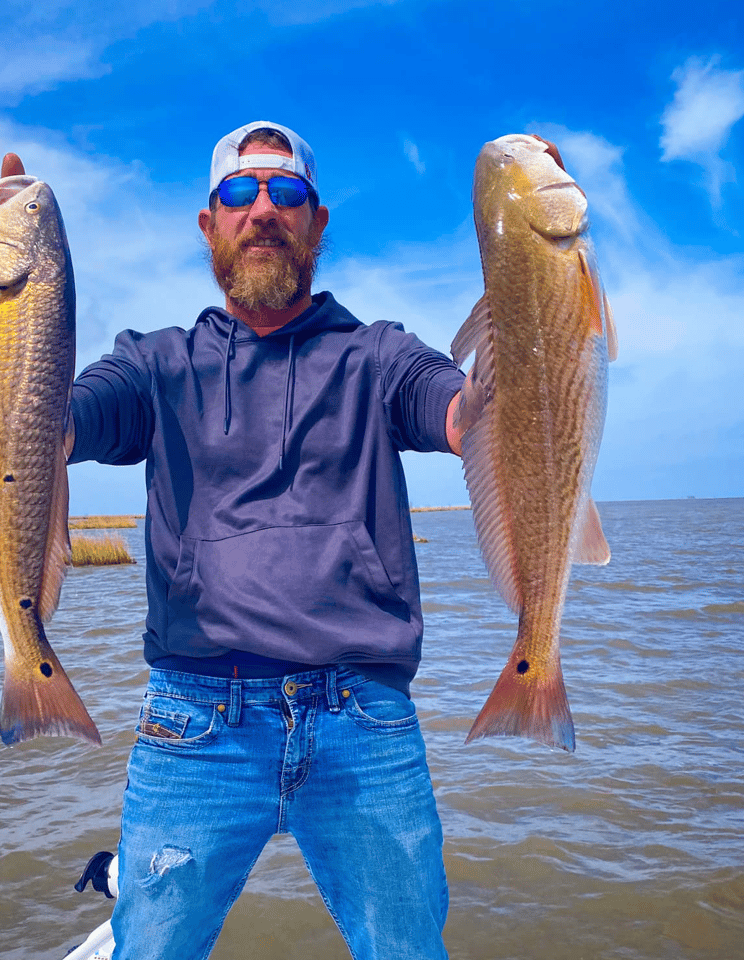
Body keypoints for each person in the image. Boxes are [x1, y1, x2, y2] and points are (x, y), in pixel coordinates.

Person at [67, 120, 468, 960]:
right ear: (209, 223)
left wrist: (531, 321)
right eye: (239, 194)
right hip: (196, 723)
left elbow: (457, 407)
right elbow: (72, 416)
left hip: (364, 716)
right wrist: (24, 398)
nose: (263, 209)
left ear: (316, 223)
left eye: (286, 193)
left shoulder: (376, 355)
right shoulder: (154, 363)